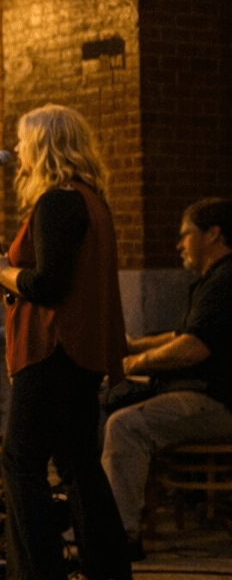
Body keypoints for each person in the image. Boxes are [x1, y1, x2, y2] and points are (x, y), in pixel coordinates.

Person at [0, 104, 132, 580]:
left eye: (24, 142)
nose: (18, 152)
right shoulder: (91, 200)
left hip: (52, 347)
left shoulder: (56, 202)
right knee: (76, 461)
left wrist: (2, 270)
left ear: (44, 146)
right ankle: (103, 569)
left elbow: (49, 285)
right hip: (82, 348)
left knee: (20, 460)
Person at [101, 197, 232, 559]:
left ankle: (119, 537)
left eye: (185, 235)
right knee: (109, 402)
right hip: (205, 393)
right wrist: (132, 346)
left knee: (125, 425)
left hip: (218, 401)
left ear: (213, 234)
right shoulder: (215, 280)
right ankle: (96, 518)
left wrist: (133, 363)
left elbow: (193, 347)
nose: (179, 245)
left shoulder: (225, 281)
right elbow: (184, 333)